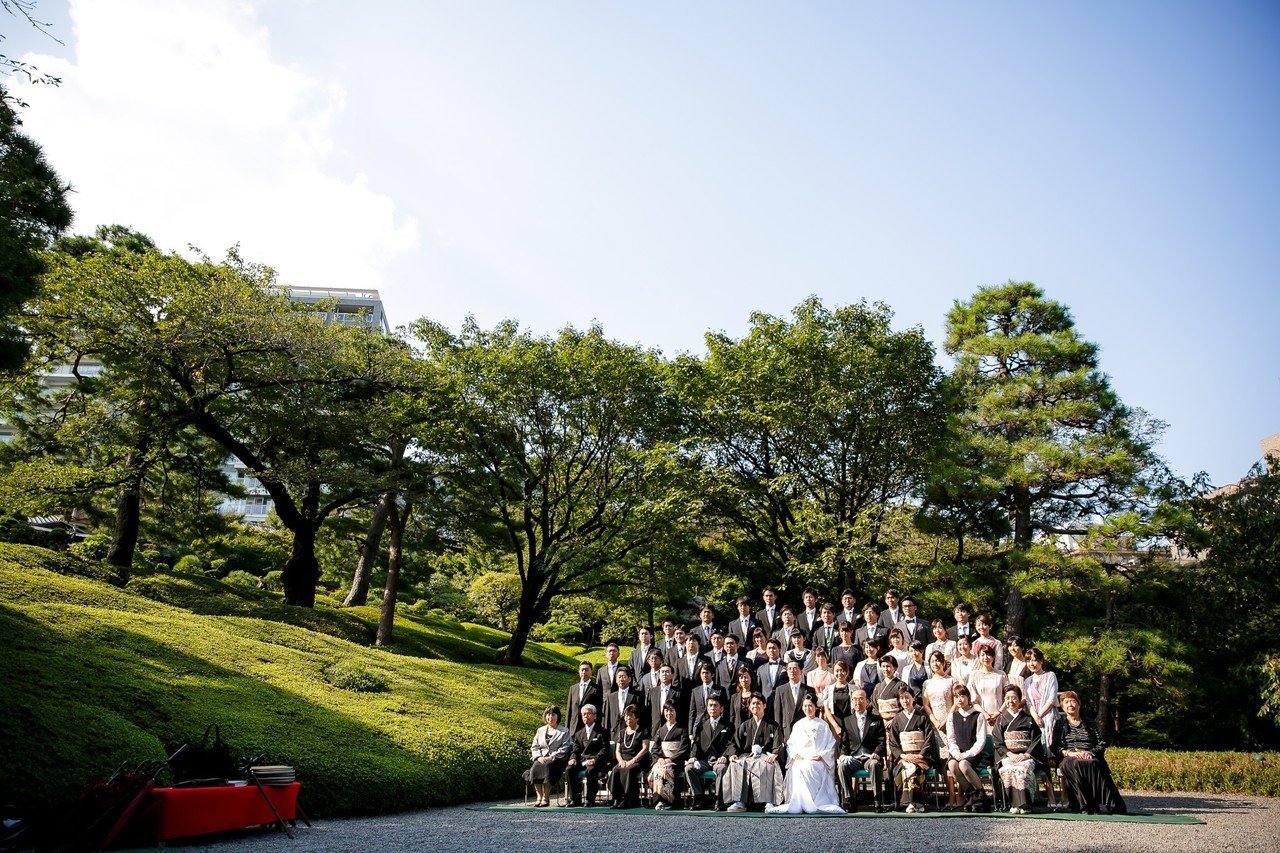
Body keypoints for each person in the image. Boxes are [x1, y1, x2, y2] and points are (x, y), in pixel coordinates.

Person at [1051, 691, 1127, 815]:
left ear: (1079, 704)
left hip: (1089, 755)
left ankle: (1111, 803)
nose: (1070, 704)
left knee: (1093, 763)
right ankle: (1086, 805)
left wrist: (1089, 752)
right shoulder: (1060, 724)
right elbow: (1054, 746)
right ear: (1062, 707)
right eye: (1066, 702)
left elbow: (1101, 743)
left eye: (1073, 701)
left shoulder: (1089, 723)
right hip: (1070, 757)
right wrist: (1069, 753)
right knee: (1076, 764)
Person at [766, 694, 845, 814]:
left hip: (817, 759)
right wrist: (794, 754)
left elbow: (830, 744)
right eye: (805, 706)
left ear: (815, 707)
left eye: (810, 706)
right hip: (801, 759)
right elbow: (791, 744)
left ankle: (816, 801)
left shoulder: (823, 725)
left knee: (811, 766)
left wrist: (822, 755)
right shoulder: (798, 725)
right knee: (799, 768)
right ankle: (800, 802)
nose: (808, 708)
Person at [723, 692, 785, 811]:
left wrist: (774, 753)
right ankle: (739, 801)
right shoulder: (745, 725)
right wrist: (733, 755)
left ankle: (770, 801)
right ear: (749, 707)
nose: (755, 706)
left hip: (765, 755)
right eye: (753, 704)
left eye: (758, 703)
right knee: (737, 764)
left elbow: (779, 743)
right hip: (748, 756)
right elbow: (733, 743)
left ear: (764, 706)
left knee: (767, 764)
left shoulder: (773, 725)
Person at [992, 684, 1045, 814]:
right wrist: (1010, 754)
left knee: (1022, 769)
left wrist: (1027, 755)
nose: (1011, 701)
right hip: (1009, 756)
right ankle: (1014, 804)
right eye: (1007, 698)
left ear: (1019, 699)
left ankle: (1025, 804)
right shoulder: (1001, 720)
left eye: (1014, 698)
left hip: (1026, 756)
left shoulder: (1028, 719)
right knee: (1008, 770)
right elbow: (998, 742)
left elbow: (1036, 739)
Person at [1023, 647, 1063, 809]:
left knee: (1055, 756)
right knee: (1041, 758)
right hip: (1036, 721)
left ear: (1041, 661)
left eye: (1034, 660)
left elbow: (1052, 698)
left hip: (1049, 719)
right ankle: (1050, 794)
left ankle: (1064, 796)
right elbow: (1029, 703)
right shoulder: (1027, 681)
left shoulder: (1050, 676)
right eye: (1028, 660)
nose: (1032, 664)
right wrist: (1035, 716)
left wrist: (1040, 715)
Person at [836, 688, 886, 812]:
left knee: (874, 765)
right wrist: (843, 754)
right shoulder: (847, 720)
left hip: (870, 757)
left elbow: (882, 741)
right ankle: (849, 800)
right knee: (842, 766)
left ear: (867, 701)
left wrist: (877, 753)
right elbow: (844, 743)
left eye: (861, 698)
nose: (858, 702)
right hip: (855, 757)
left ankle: (877, 800)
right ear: (852, 702)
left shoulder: (876, 720)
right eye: (855, 699)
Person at [887, 685, 935, 813]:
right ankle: (912, 803)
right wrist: (903, 756)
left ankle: (912, 802)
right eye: (902, 698)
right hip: (904, 757)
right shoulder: (897, 719)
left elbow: (929, 738)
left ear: (913, 698)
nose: (905, 701)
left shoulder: (922, 717)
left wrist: (921, 755)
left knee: (915, 768)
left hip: (920, 756)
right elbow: (893, 742)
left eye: (907, 698)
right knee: (906, 768)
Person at [946, 683, 991, 812]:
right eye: (956, 697)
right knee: (952, 765)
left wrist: (966, 755)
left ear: (968, 697)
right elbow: (951, 739)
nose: (959, 699)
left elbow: (981, 740)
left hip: (974, 754)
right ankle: (975, 796)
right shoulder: (952, 716)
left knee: (963, 765)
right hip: (957, 753)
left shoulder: (978, 716)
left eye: (962, 695)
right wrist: (956, 753)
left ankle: (980, 795)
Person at [686, 694, 734, 810]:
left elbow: (732, 744)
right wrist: (693, 757)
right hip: (704, 760)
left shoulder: (728, 725)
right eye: (710, 705)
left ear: (721, 709)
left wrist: (725, 756)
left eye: (715, 705)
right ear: (707, 708)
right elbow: (696, 743)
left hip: (719, 760)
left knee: (722, 769)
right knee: (689, 768)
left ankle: (719, 799)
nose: (712, 708)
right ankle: (698, 798)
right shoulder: (701, 725)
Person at [921, 650, 956, 805]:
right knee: (941, 761)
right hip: (935, 725)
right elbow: (925, 705)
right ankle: (949, 795)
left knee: (952, 758)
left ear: (943, 662)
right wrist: (934, 720)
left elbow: (956, 702)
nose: (935, 664)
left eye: (938, 660)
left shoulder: (952, 680)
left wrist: (947, 719)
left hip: (950, 722)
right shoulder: (927, 683)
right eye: (932, 661)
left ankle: (958, 795)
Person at [524, 705, 571, 807]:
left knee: (547, 767)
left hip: (557, 759)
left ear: (557, 716)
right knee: (535, 767)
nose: (550, 717)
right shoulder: (540, 730)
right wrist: (538, 757)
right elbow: (535, 746)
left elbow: (565, 748)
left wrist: (551, 757)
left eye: (553, 714)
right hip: (541, 758)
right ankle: (539, 797)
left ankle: (546, 798)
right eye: (548, 715)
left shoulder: (564, 731)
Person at [646, 701, 689, 810]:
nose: (669, 713)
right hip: (662, 760)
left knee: (666, 771)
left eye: (671, 710)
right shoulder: (661, 730)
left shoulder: (682, 729)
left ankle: (669, 801)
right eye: (666, 710)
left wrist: (670, 759)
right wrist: (659, 758)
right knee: (655, 769)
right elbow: (655, 747)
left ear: (676, 712)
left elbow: (683, 748)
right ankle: (658, 800)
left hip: (675, 761)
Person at [566, 704, 610, 807]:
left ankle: (590, 799)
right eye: (584, 714)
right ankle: (575, 799)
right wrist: (572, 758)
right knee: (569, 769)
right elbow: (575, 750)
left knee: (591, 770)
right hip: (582, 760)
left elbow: (605, 749)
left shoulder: (602, 732)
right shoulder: (578, 733)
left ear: (595, 716)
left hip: (597, 761)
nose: (586, 716)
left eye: (589, 714)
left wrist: (595, 759)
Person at [607, 704, 649, 809]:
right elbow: (617, 750)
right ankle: (617, 798)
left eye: (631, 716)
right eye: (626, 716)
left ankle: (627, 799)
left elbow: (645, 749)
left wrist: (633, 760)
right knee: (616, 770)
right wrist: (621, 761)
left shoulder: (643, 731)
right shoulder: (621, 733)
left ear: (637, 718)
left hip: (637, 761)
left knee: (628, 770)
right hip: (623, 760)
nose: (628, 718)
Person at [772, 660, 817, 743]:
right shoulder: (780, 690)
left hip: (805, 730)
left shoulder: (809, 690)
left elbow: (814, 712)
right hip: (787, 730)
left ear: (801, 671)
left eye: (795, 668)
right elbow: (778, 713)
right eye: (790, 669)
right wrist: (779, 733)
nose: (792, 671)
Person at [966, 647, 1009, 726]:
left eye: (989, 655)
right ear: (978, 657)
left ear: (993, 657)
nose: (986, 657)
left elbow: (1007, 696)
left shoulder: (1001, 674)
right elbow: (973, 700)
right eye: (982, 655)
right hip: (980, 716)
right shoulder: (974, 675)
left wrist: (999, 712)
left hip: (1000, 715)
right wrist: (985, 714)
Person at [689, 662, 728, 734]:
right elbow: (692, 712)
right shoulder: (695, 691)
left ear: (712, 674)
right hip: (699, 726)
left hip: (715, 725)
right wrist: (690, 732)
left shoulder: (720, 690)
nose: (704, 675)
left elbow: (724, 710)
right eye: (702, 673)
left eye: (707, 673)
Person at [566, 661, 601, 739]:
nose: (584, 672)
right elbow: (569, 709)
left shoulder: (597, 688)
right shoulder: (573, 688)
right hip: (573, 727)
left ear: (591, 672)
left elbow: (599, 708)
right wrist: (567, 727)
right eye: (582, 670)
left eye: (586, 670)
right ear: (579, 671)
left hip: (589, 726)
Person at [821, 659, 855, 734]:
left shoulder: (854, 688)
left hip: (851, 723)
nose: (839, 673)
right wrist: (836, 726)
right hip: (834, 723)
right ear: (833, 672)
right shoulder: (828, 689)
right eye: (837, 671)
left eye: (842, 670)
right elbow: (827, 710)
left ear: (847, 672)